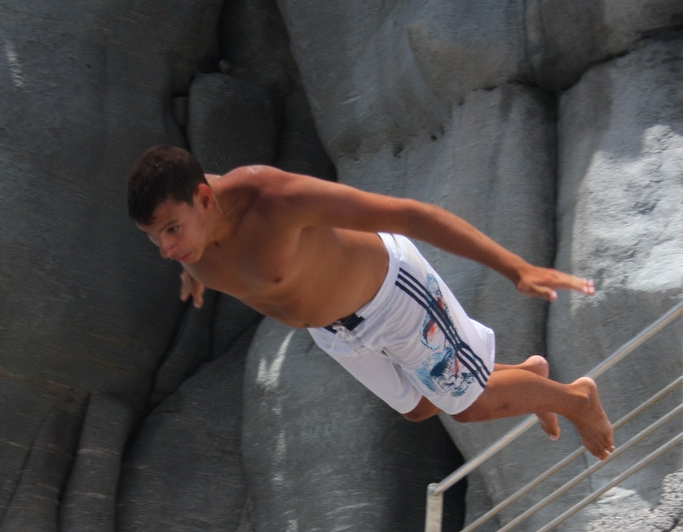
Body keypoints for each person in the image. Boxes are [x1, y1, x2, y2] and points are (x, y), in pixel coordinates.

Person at [127, 145, 614, 459]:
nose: (166, 249)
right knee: (418, 408)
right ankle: (525, 377)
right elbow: (205, 254)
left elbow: (410, 215)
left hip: (392, 295)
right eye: (153, 238)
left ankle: (576, 400)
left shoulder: (275, 200)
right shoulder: (190, 239)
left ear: (205, 199)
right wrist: (193, 277)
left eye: (172, 230)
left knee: (467, 407)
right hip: (334, 331)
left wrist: (516, 269)